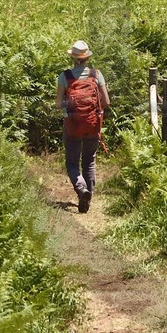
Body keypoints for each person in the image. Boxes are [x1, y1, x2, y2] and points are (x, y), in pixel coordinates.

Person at [57, 39, 109, 212]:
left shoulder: (65, 77)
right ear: (87, 57)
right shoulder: (96, 75)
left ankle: (81, 189)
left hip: (72, 126)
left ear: (73, 58)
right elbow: (106, 101)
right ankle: (89, 196)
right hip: (92, 125)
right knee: (89, 160)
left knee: (72, 162)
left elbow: (58, 104)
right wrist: (93, 111)